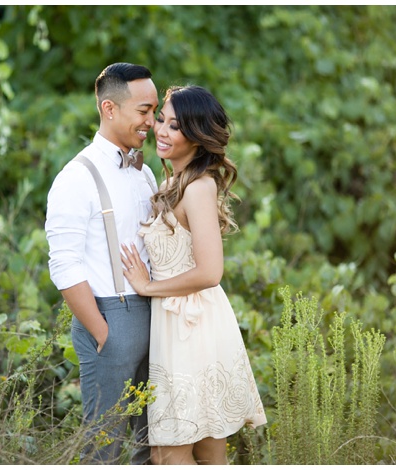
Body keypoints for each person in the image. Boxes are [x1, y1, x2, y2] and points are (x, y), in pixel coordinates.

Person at [120, 85, 267, 465]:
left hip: (193, 326)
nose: (162, 131)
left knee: (171, 452)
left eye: (175, 126)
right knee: (201, 445)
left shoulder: (199, 187)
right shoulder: (170, 183)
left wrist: (147, 286)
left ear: (198, 136)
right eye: (162, 121)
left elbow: (210, 271)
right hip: (175, 325)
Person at [45, 62, 159, 464]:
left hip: (155, 315)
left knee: (154, 442)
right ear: (109, 109)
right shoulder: (75, 177)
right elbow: (64, 265)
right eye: (143, 111)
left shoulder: (145, 173)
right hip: (110, 317)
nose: (152, 122)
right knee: (103, 447)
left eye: (155, 111)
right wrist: (102, 333)